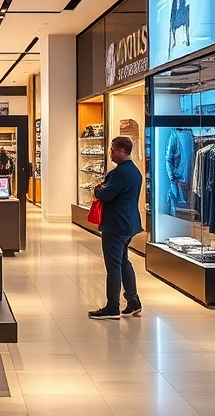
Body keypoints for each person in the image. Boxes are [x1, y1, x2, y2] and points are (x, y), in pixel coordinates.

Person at [89, 136, 143, 320]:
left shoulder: (119, 173)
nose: (110, 152)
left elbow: (105, 194)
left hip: (115, 224)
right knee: (123, 261)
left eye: (113, 149)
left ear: (122, 151)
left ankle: (112, 306)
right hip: (128, 224)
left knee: (113, 266)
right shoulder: (135, 172)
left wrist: (98, 189)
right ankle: (133, 300)